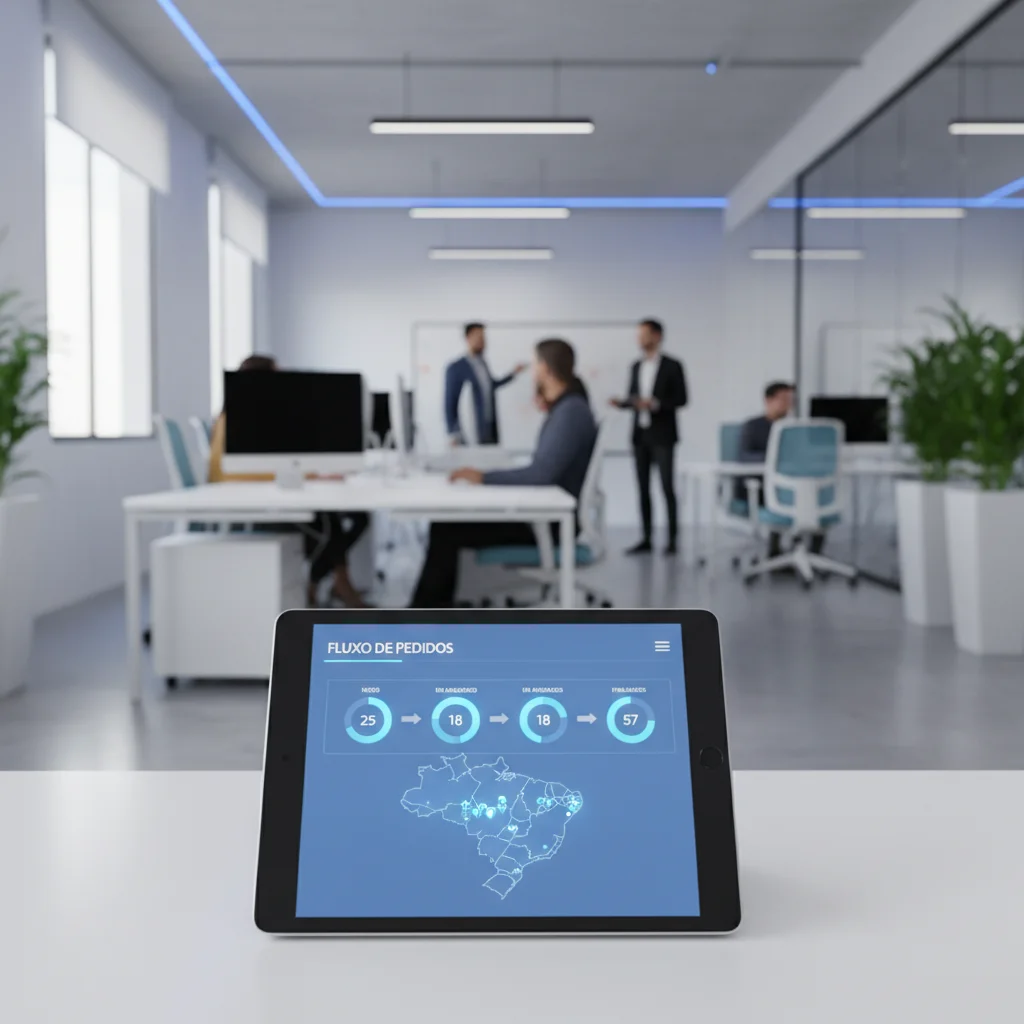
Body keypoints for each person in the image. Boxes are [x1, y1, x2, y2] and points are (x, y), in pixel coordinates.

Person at [411, 338, 597, 608]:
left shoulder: (570, 412)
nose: (533, 371)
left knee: (446, 527)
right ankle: (434, 608)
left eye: (535, 364)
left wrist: (484, 477)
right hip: (545, 518)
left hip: (548, 526)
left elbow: (540, 474)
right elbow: (544, 469)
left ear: (544, 368)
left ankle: (422, 615)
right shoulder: (569, 408)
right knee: (449, 524)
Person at [208, 354, 371, 608]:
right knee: (330, 524)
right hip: (250, 502)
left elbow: (271, 463)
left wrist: (309, 472)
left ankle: (327, 585)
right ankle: (330, 585)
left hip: (264, 495)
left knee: (337, 518)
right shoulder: (236, 418)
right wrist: (308, 475)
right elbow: (238, 472)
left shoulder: (250, 415)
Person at [610, 319, 688, 555]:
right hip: (640, 435)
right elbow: (633, 397)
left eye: (643, 334)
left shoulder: (673, 365)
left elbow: (682, 399)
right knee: (642, 488)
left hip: (663, 435)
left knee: (666, 487)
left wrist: (654, 404)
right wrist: (624, 403)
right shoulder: (635, 366)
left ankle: (673, 539)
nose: (639, 339)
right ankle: (646, 538)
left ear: (657, 335)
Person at [445, 323, 528, 445]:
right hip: (470, 430)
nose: (482, 341)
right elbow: (449, 402)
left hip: (489, 426)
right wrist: (453, 434)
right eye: (478, 337)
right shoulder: (456, 368)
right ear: (468, 338)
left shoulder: (483, 364)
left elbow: (491, 386)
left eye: (483, 338)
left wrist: (513, 373)